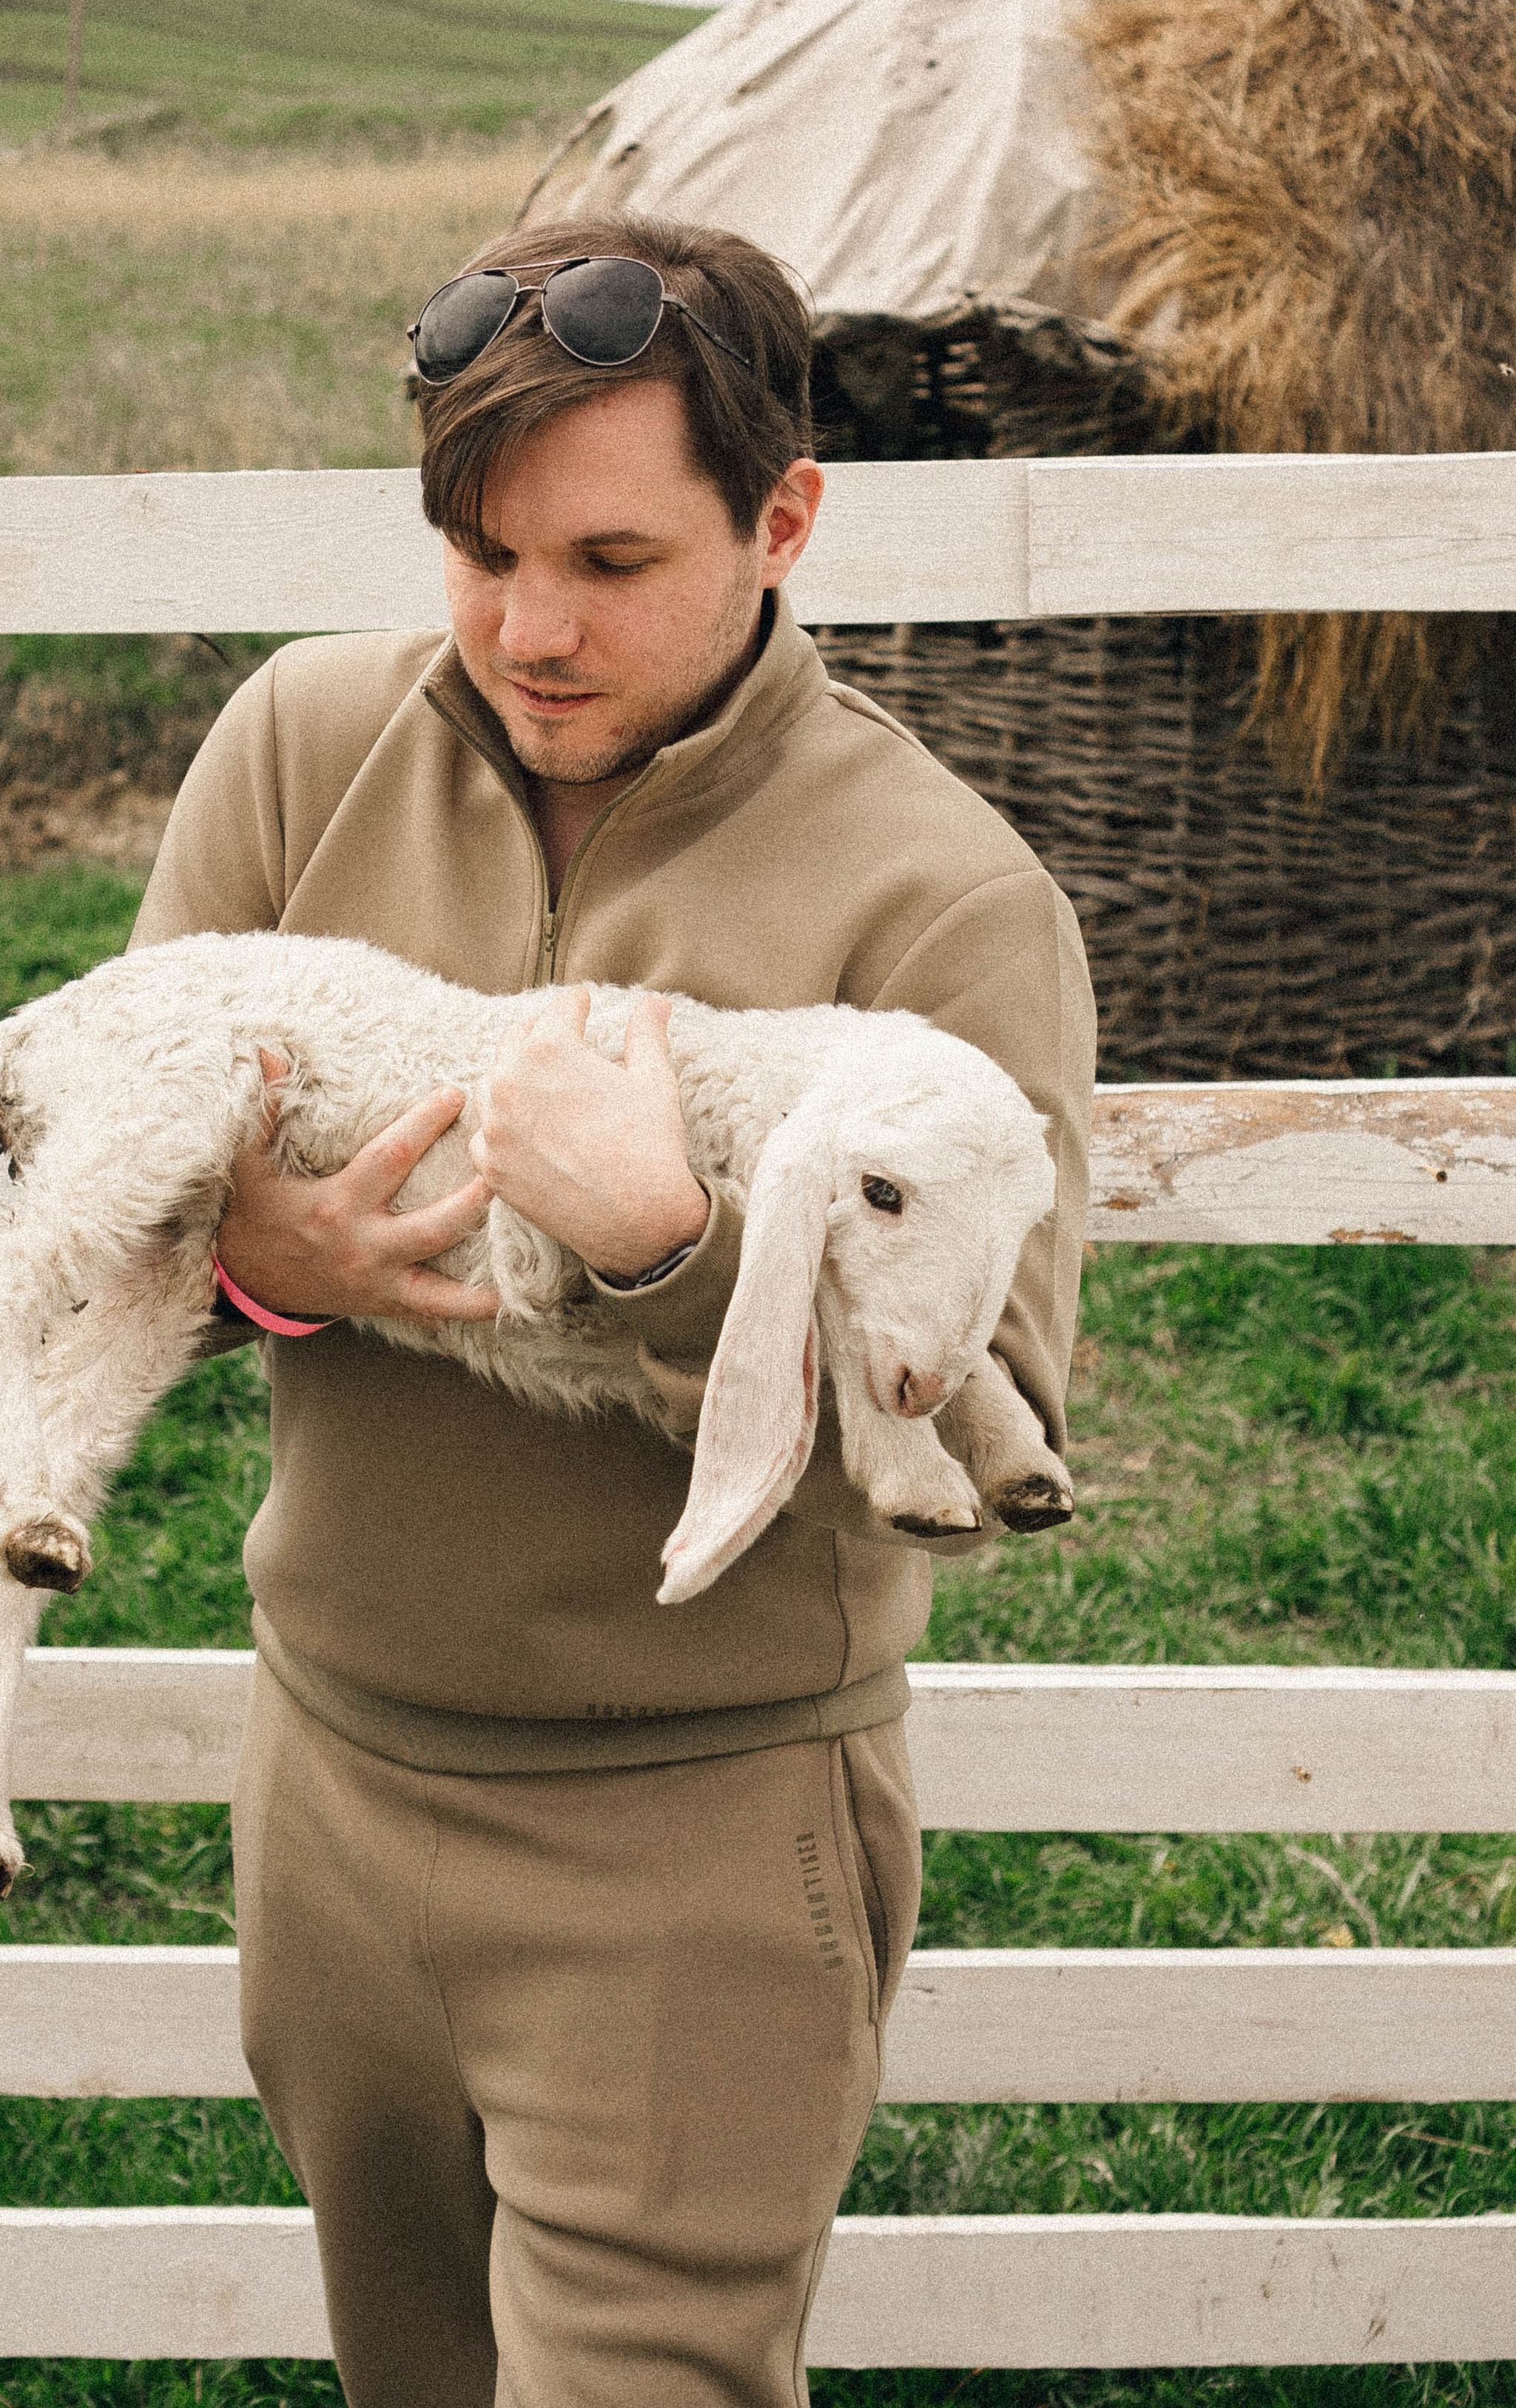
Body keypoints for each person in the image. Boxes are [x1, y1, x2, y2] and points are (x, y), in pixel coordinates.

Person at [129, 215, 1096, 2408]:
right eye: (477, 550)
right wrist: (254, 1272)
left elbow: (995, 1419)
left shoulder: (942, 900)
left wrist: (674, 1267)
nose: (526, 629)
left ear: (785, 522)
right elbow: (102, 1189)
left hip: (696, 1845)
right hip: (335, 1789)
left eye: (610, 558)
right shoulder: (297, 745)